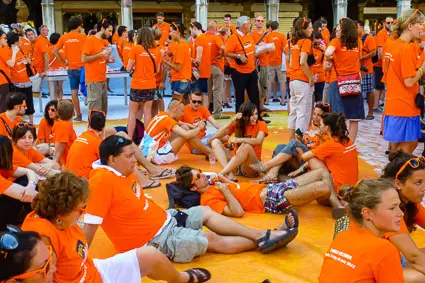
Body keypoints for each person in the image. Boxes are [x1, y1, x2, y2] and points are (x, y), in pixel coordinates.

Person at [83, 135, 298, 263]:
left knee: (205, 213)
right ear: (112, 159)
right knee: (211, 239)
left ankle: (264, 235)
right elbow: (89, 229)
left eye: (134, 154)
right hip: (153, 240)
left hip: (165, 220)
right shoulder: (101, 182)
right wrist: (78, 266)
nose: (134, 160)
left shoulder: (121, 171)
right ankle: (265, 240)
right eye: (129, 156)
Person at [21, 172, 212, 283]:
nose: (83, 213)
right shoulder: (41, 238)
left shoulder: (60, 221)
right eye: (81, 209)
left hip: (92, 271)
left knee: (150, 255)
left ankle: (182, 279)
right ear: (62, 211)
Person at [318, 179, 404, 282]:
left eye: (399, 206)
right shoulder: (384, 249)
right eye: (392, 208)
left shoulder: (342, 237)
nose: (401, 213)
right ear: (367, 213)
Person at [176, 165, 340, 218]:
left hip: (273, 188)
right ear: (193, 187)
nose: (203, 173)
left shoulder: (214, 184)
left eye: (199, 170)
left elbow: (238, 188)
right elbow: (237, 212)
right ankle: (338, 207)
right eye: (198, 175)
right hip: (272, 199)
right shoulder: (207, 201)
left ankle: (335, 205)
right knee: (323, 187)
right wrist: (225, 191)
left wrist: (225, 181)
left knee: (322, 172)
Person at [250, 103, 329, 183]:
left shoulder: (326, 132)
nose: (315, 117)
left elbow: (322, 155)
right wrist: (301, 140)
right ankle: (273, 172)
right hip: (304, 158)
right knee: (280, 146)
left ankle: (267, 167)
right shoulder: (312, 127)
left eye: (319, 115)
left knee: (293, 143)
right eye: (314, 114)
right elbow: (309, 145)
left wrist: (321, 137)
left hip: (311, 163)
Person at [382, 9, 425, 154]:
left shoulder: (391, 44)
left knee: (395, 147)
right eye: (420, 24)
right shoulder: (405, 49)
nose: (422, 27)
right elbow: (409, 82)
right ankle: (393, 173)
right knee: (408, 146)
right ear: (410, 26)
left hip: (393, 103)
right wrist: (423, 69)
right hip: (405, 105)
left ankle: (390, 173)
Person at [325, 17, 365, 142]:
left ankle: (338, 141)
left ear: (344, 30)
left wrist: (331, 57)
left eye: (338, 29)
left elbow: (327, 53)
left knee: (337, 116)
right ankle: (351, 144)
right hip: (354, 81)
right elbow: (358, 60)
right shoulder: (358, 42)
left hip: (337, 81)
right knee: (354, 117)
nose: (336, 32)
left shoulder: (336, 42)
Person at [299, 112, 358, 194]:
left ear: (326, 128)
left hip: (336, 191)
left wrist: (301, 143)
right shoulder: (347, 140)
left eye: (321, 124)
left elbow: (304, 157)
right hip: (349, 189)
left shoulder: (331, 143)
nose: (319, 126)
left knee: (311, 158)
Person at [210, 102, 268, 181]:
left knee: (246, 146)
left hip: (251, 167)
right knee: (215, 142)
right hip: (236, 165)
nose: (255, 117)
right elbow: (217, 135)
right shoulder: (238, 124)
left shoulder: (261, 124)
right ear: (244, 117)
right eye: (252, 115)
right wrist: (231, 121)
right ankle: (229, 174)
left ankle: (222, 174)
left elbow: (259, 141)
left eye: (256, 114)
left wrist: (240, 139)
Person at [140, 99, 209, 165]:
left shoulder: (162, 114)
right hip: (156, 155)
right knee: (185, 133)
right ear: (175, 109)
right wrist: (199, 128)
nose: (182, 114)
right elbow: (187, 135)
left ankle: (206, 151)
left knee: (184, 127)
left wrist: (194, 127)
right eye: (182, 111)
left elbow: (181, 123)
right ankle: (209, 152)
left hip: (147, 151)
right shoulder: (167, 120)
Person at [126, 27, 160, 138]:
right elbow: (158, 70)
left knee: (132, 112)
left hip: (137, 84)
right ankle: (147, 138)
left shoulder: (135, 49)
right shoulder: (157, 51)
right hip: (150, 84)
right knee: (148, 111)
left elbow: (128, 68)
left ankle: (129, 138)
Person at [224, 16, 261, 115]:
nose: (250, 25)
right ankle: (239, 119)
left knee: (255, 96)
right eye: (249, 23)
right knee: (239, 97)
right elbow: (226, 52)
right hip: (239, 72)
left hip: (251, 70)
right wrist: (238, 56)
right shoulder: (234, 37)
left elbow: (252, 49)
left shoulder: (250, 35)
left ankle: (258, 118)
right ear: (243, 25)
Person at [0, 135, 38, 230]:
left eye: (30, 138)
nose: (27, 141)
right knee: (29, 191)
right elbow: (24, 194)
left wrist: (31, 185)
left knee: (25, 180)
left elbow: (29, 171)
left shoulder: (4, 166)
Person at [53, 16, 86, 121]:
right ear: (78, 26)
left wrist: (64, 62)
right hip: (82, 68)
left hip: (71, 68)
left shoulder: (64, 37)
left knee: (74, 93)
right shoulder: (83, 37)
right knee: (88, 92)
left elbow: (55, 51)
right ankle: (91, 115)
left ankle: (79, 115)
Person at [288, 17, 314, 140]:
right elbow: (303, 61)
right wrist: (310, 77)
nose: (312, 30)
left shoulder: (292, 42)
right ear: (303, 29)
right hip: (302, 81)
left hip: (293, 80)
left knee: (293, 112)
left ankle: (291, 141)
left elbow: (291, 62)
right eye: (310, 28)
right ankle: (299, 142)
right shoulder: (306, 42)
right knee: (303, 112)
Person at [82, 19, 114, 115]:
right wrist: (101, 54)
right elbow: (84, 59)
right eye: (109, 31)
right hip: (93, 81)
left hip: (102, 80)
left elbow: (98, 58)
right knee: (95, 113)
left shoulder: (102, 41)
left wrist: (108, 60)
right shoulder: (90, 40)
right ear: (102, 29)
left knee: (103, 113)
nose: (111, 34)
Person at [180, 91, 222, 155]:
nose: (196, 104)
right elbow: (175, 122)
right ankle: (216, 147)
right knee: (215, 139)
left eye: (199, 102)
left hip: (204, 138)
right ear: (190, 99)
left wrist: (227, 128)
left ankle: (216, 146)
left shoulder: (202, 109)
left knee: (223, 135)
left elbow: (214, 122)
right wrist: (190, 126)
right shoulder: (183, 110)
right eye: (194, 101)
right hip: (195, 144)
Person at [7, 32, 35, 124]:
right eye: (19, 40)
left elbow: (30, 62)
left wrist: (27, 61)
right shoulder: (8, 51)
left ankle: (31, 122)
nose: (21, 42)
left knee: (29, 102)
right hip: (16, 82)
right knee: (17, 103)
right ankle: (18, 121)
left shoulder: (21, 50)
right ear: (15, 42)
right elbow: (10, 64)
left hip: (26, 80)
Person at [163, 23, 192, 100]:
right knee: (184, 107)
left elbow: (178, 67)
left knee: (175, 106)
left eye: (171, 31)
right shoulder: (186, 44)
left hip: (180, 79)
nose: (170, 34)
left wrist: (165, 61)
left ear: (177, 32)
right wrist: (172, 56)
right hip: (185, 79)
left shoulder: (181, 46)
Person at [356, 20, 377, 120]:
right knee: (357, 92)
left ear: (361, 27)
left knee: (369, 91)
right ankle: (359, 112)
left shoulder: (369, 38)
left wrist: (362, 58)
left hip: (367, 69)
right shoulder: (355, 39)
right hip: (357, 69)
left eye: (357, 27)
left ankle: (370, 112)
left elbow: (373, 52)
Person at [251, 15, 271, 111]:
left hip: (265, 63)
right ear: (255, 22)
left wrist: (262, 48)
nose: (260, 22)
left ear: (264, 23)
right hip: (254, 63)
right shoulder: (251, 35)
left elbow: (271, 48)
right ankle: (255, 106)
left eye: (262, 21)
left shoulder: (267, 35)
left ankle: (261, 106)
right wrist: (261, 48)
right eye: (258, 20)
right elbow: (251, 48)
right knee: (254, 86)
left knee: (264, 85)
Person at [374, 16, 393, 112]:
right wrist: (385, 65)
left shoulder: (392, 34)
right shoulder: (381, 34)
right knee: (378, 86)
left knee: (383, 86)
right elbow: (380, 51)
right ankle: (375, 106)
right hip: (380, 64)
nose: (390, 24)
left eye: (392, 23)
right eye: (388, 23)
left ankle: (381, 103)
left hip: (388, 63)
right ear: (384, 23)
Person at [190, 22, 211, 108]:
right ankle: (204, 114)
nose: (190, 33)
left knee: (197, 94)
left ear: (194, 28)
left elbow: (199, 56)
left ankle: (200, 114)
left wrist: (189, 59)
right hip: (204, 71)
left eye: (191, 30)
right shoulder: (205, 38)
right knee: (204, 93)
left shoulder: (199, 39)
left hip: (198, 72)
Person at [267, 21, 287, 105]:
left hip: (269, 62)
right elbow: (285, 49)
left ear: (270, 27)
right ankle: (282, 101)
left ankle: (267, 100)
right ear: (278, 27)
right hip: (280, 62)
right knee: (282, 82)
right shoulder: (282, 36)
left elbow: (265, 48)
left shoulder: (267, 36)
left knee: (269, 82)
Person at [52, 99, 77, 165]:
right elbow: (59, 149)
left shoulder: (58, 123)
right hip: (67, 163)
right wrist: (55, 163)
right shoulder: (64, 127)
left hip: (66, 160)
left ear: (57, 113)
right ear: (72, 114)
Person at [31, 25, 49, 100]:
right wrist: (45, 71)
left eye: (47, 30)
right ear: (41, 31)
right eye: (45, 30)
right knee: (35, 92)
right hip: (39, 69)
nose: (47, 31)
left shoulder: (45, 39)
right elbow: (46, 56)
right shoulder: (40, 40)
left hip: (41, 67)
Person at [47, 33, 66, 100]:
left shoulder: (48, 49)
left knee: (55, 87)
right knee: (60, 87)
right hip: (61, 71)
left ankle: (55, 103)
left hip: (51, 71)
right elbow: (65, 59)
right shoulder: (62, 49)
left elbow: (47, 60)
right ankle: (60, 101)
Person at [311, 32, 326, 102]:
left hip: (321, 78)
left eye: (319, 43)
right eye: (315, 43)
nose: (317, 45)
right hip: (311, 78)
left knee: (320, 100)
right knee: (310, 100)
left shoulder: (324, 50)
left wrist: (324, 50)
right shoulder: (309, 50)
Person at [0, 30, 11, 112]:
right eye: (4, 38)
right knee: (3, 104)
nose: (6, 40)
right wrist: (14, 52)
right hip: (3, 80)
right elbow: (11, 64)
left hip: (3, 78)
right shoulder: (2, 50)